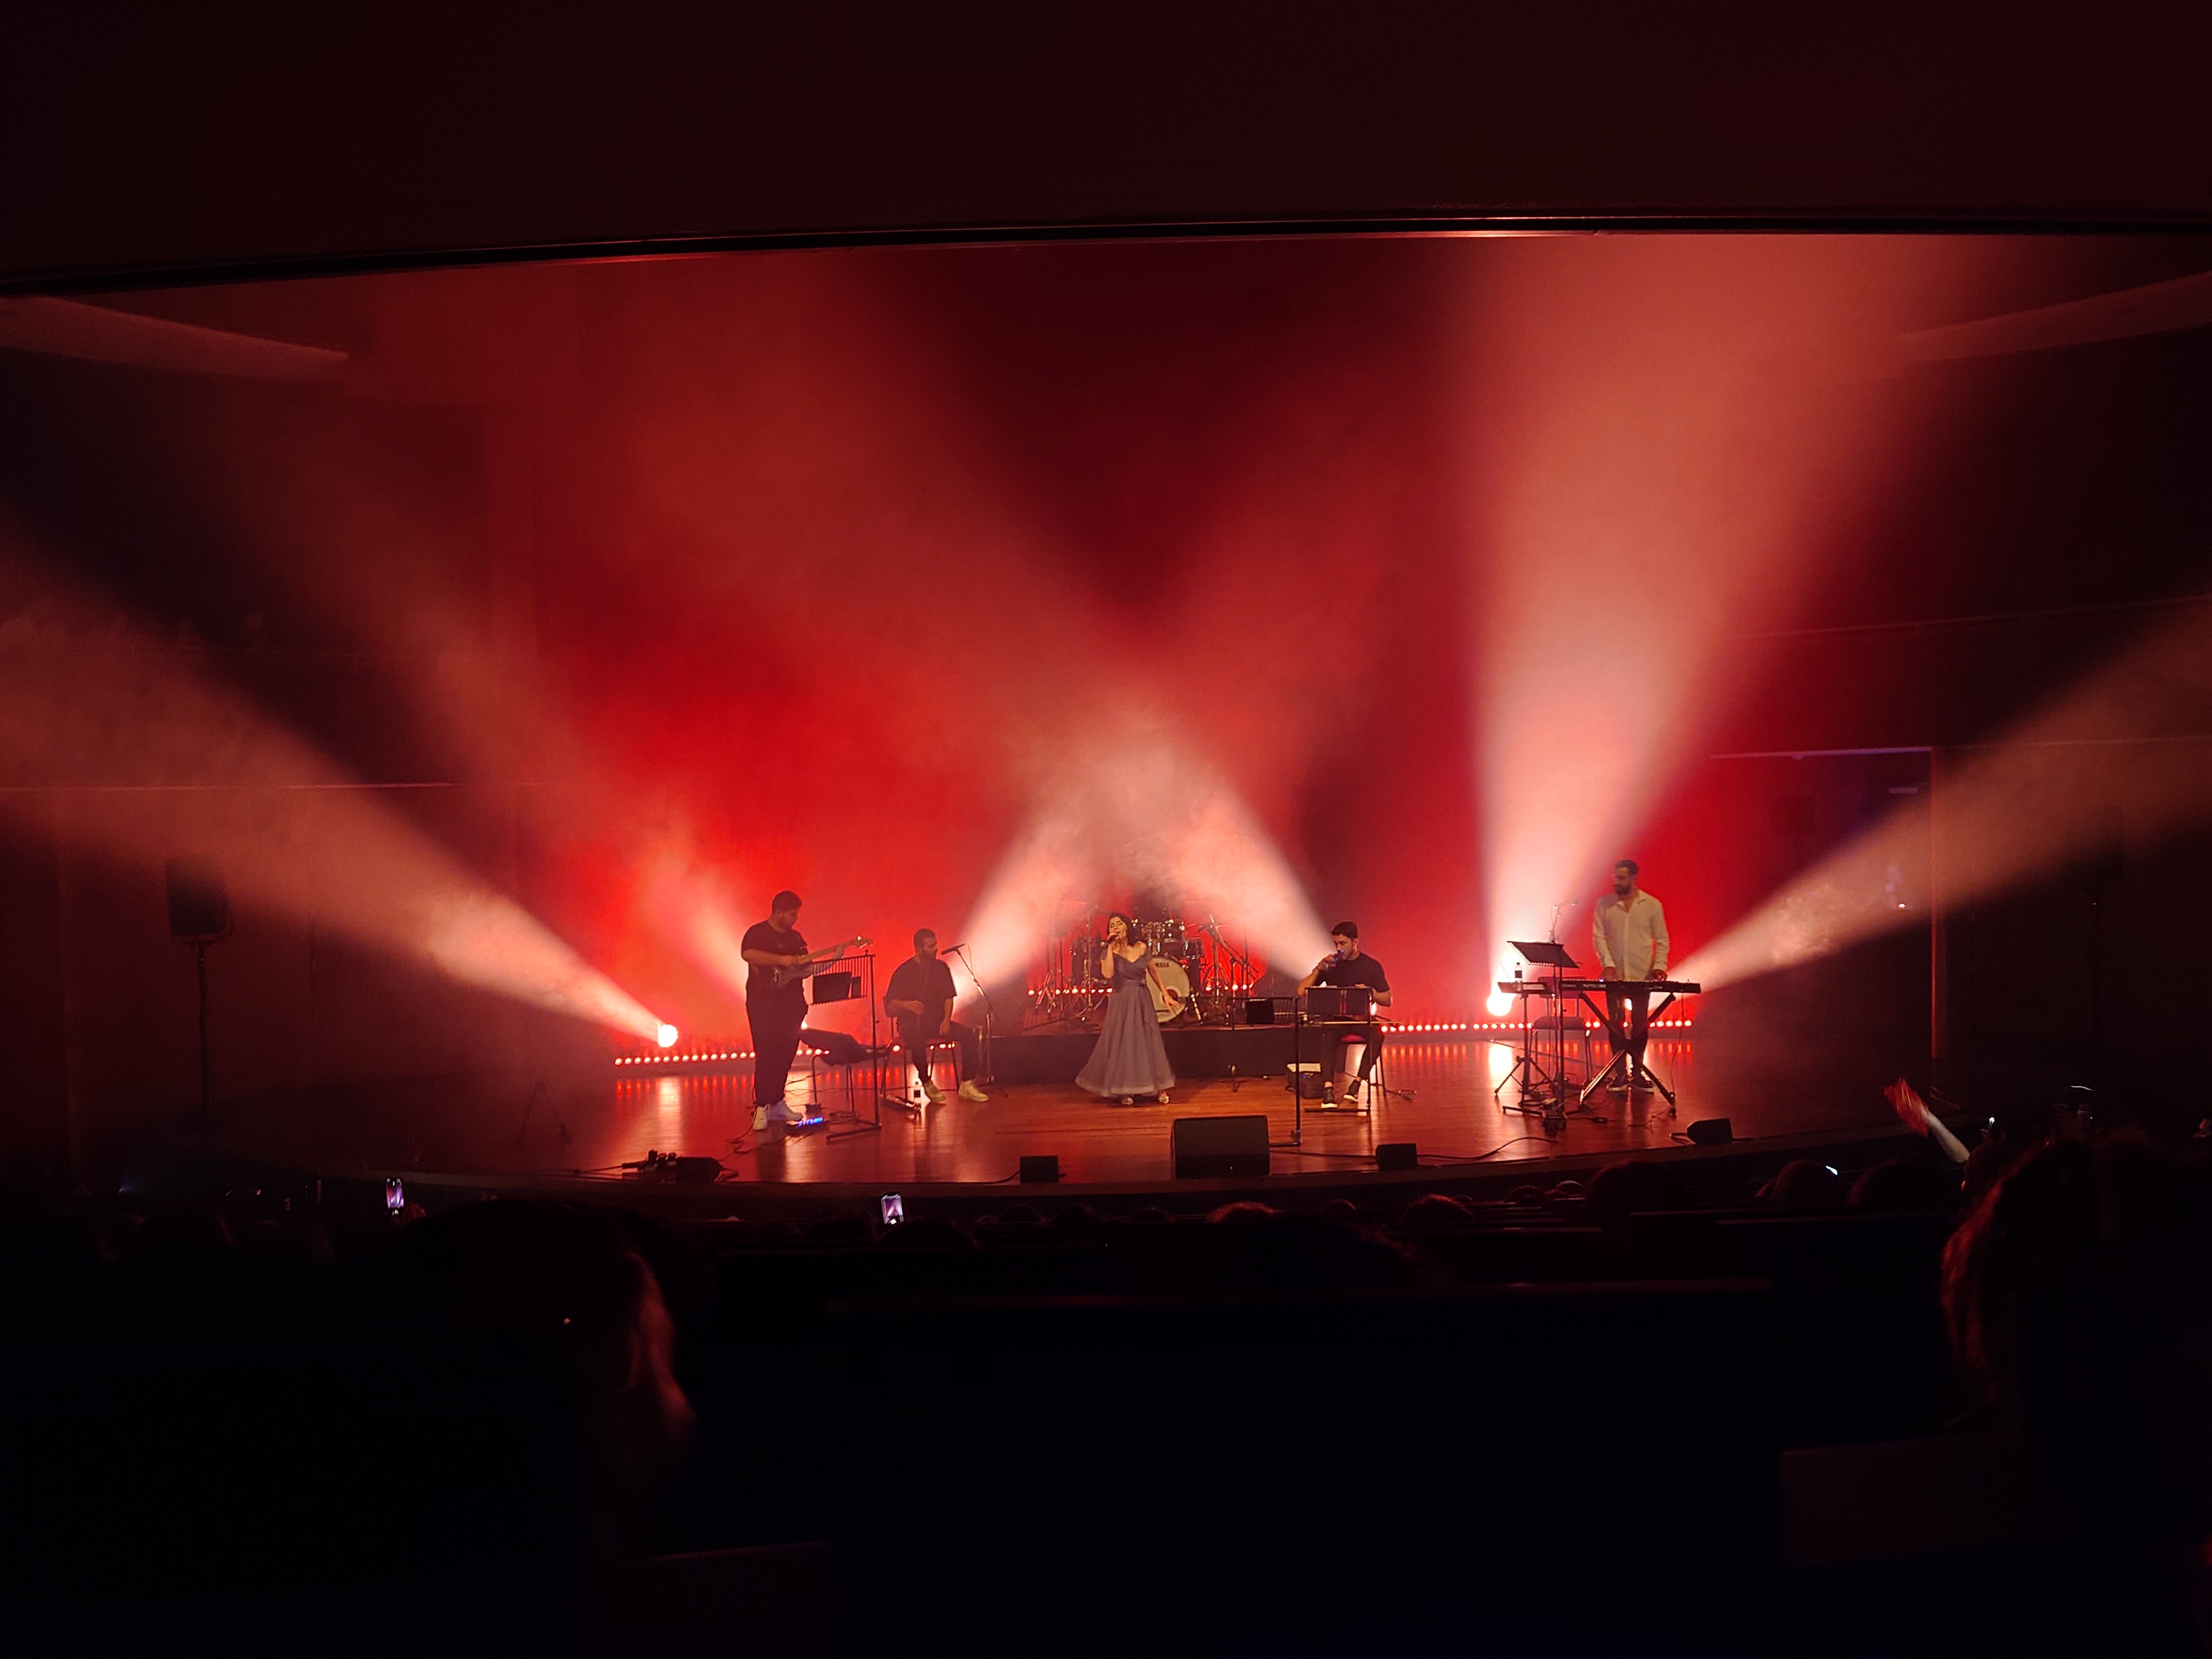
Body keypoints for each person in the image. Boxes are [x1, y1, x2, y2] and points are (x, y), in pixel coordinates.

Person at [740, 890, 868, 1126]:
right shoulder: (757, 933)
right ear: (779, 912)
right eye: (792, 914)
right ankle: (761, 1107)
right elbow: (748, 954)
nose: (795, 919)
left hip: (792, 1005)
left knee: (786, 1054)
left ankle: (777, 1102)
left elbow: (807, 970)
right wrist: (782, 960)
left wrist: (835, 959)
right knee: (766, 1053)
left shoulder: (796, 939)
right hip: (762, 1004)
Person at [1073, 912, 1175, 1105]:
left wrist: (1165, 993)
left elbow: (1153, 971)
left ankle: (1159, 1087)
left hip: (1142, 997)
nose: (1115, 927)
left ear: (1127, 927)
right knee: (1124, 1042)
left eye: (1119, 924)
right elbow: (1108, 974)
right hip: (1122, 999)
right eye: (1112, 925)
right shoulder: (1108, 950)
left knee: (1148, 1039)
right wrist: (1109, 948)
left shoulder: (1141, 947)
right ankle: (1124, 1088)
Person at [883, 929, 989, 1104]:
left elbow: (949, 997)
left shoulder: (941, 968)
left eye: (935, 945)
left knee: (969, 1036)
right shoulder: (904, 971)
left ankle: (967, 1084)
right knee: (917, 1041)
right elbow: (890, 1003)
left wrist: (946, 1020)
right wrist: (906, 1005)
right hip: (910, 1024)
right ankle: (926, 1082)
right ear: (919, 948)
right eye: (931, 946)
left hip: (936, 1022)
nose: (936, 949)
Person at [1590, 859, 1668, 1092]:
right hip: (1615, 978)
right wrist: (1608, 965)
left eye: (1621, 878)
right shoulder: (1604, 904)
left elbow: (1662, 939)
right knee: (1615, 1025)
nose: (1616, 881)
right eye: (1615, 877)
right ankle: (1620, 1074)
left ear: (1634, 878)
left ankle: (1638, 1073)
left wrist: (1659, 966)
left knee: (1640, 1026)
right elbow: (1599, 938)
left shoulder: (1651, 905)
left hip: (1641, 976)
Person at [1296, 922, 1392, 1103]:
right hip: (1337, 1020)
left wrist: (1370, 992)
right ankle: (1328, 1089)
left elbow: (1388, 999)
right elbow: (1302, 990)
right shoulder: (1331, 966)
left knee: (1378, 1034)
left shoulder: (1371, 966)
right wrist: (1318, 968)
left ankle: (1356, 1084)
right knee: (1328, 1034)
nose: (1339, 948)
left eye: (1343, 943)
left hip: (1361, 1019)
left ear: (1355, 942)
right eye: (1336, 944)